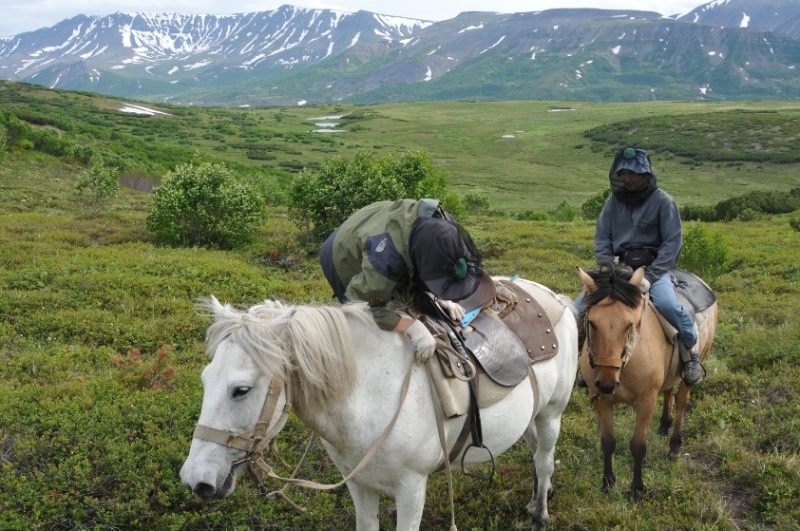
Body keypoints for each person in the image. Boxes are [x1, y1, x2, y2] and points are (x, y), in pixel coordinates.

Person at [577, 147, 703, 387]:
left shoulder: (664, 202)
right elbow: (602, 237)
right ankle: (582, 363)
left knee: (668, 305)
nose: (627, 178)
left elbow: (672, 243)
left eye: (633, 174)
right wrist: (606, 267)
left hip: (652, 270)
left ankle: (691, 353)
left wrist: (652, 275)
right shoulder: (613, 202)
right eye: (623, 173)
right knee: (579, 310)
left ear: (646, 174)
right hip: (617, 270)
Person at [319, 198, 491, 364]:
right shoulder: (384, 262)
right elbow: (364, 305)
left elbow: (432, 260)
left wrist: (441, 297)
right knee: (361, 320)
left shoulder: (444, 226)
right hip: (338, 251)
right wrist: (412, 327)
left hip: (376, 219)